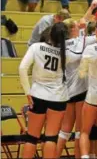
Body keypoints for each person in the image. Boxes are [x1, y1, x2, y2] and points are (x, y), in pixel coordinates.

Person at [19, 22, 68, 158]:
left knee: (31, 138)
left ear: (50, 33)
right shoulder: (66, 52)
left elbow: (22, 68)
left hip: (38, 95)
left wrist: (27, 92)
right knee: (51, 138)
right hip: (58, 98)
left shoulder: (36, 47)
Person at [56, 17, 97, 158]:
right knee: (80, 130)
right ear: (72, 29)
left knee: (64, 130)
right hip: (80, 90)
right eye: (76, 26)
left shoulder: (60, 45)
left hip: (67, 91)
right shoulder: (79, 42)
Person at [78, 18, 97, 159]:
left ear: (96, 31)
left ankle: (85, 156)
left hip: (93, 94)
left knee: (85, 131)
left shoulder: (89, 49)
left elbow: (81, 73)